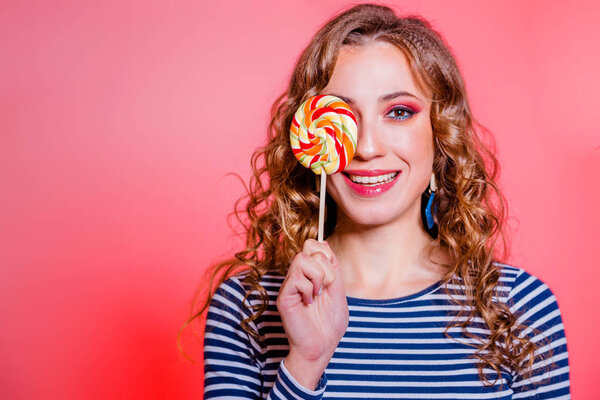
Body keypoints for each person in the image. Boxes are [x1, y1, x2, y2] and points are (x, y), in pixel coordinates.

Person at [184, 4, 570, 399]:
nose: (366, 147)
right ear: (311, 138)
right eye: (342, 117)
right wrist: (306, 362)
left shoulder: (519, 308)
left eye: (399, 112)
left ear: (441, 135)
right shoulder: (246, 309)